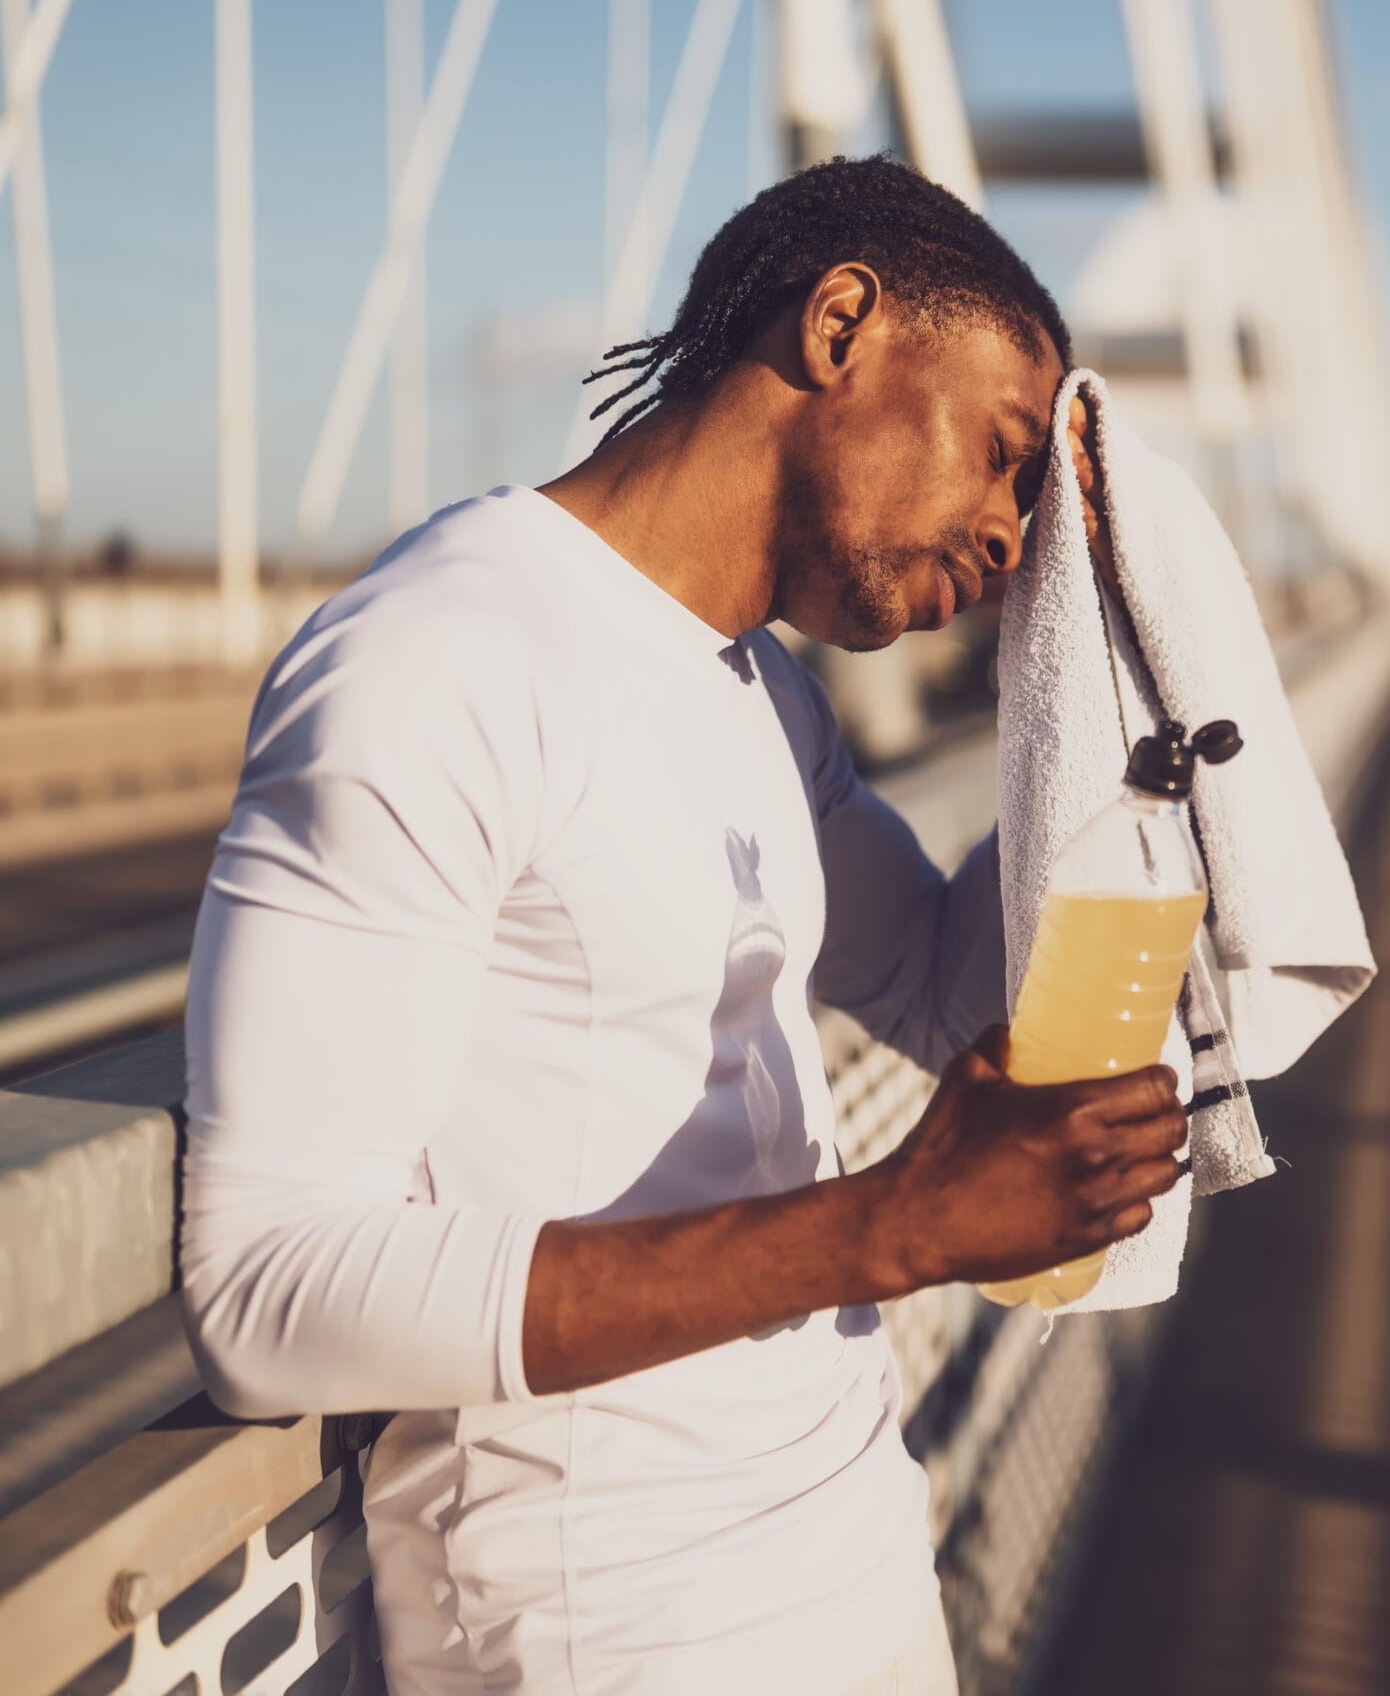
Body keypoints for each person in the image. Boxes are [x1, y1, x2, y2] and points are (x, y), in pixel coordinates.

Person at [178, 157, 1186, 1696]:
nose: (1006, 536)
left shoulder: (758, 691)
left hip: (850, 1547)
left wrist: (1114, 668)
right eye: (998, 455)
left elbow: (940, 982)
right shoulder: (438, 654)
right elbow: (268, 1289)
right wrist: (892, 1228)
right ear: (840, 322)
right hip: (614, 1629)